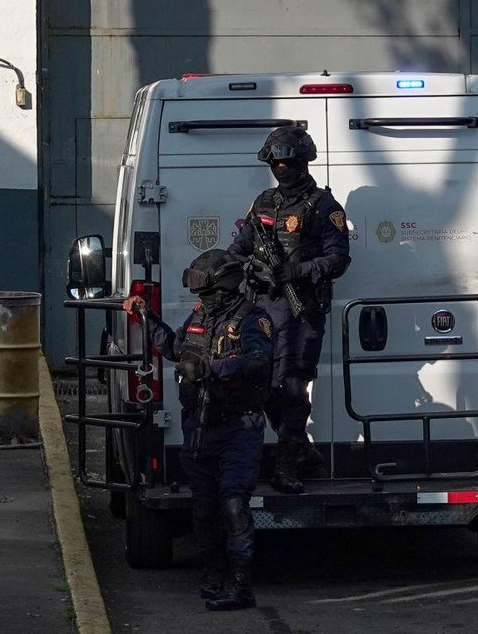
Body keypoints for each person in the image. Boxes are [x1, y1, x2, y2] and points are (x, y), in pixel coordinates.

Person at [124, 248, 273, 612]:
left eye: (206, 292)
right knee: (204, 507)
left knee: (234, 504)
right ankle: (213, 577)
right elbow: (174, 347)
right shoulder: (200, 316)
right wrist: (146, 316)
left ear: (222, 289)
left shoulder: (253, 319)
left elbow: (259, 361)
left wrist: (213, 368)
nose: (202, 298)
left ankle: (241, 587)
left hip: (238, 427)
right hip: (201, 427)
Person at [228, 125, 350, 494]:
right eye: (275, 163)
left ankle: (286, 466)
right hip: (262, 309)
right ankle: (304, 452)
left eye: (287, 162)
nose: (280, 168)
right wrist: (251, 268)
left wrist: (299, 270)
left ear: (302, 162)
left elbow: (338, 259)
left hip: (302, 311)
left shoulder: (324, 206)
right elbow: (238, 251)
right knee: (261, 385)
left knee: (294, 386)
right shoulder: (263, 203)